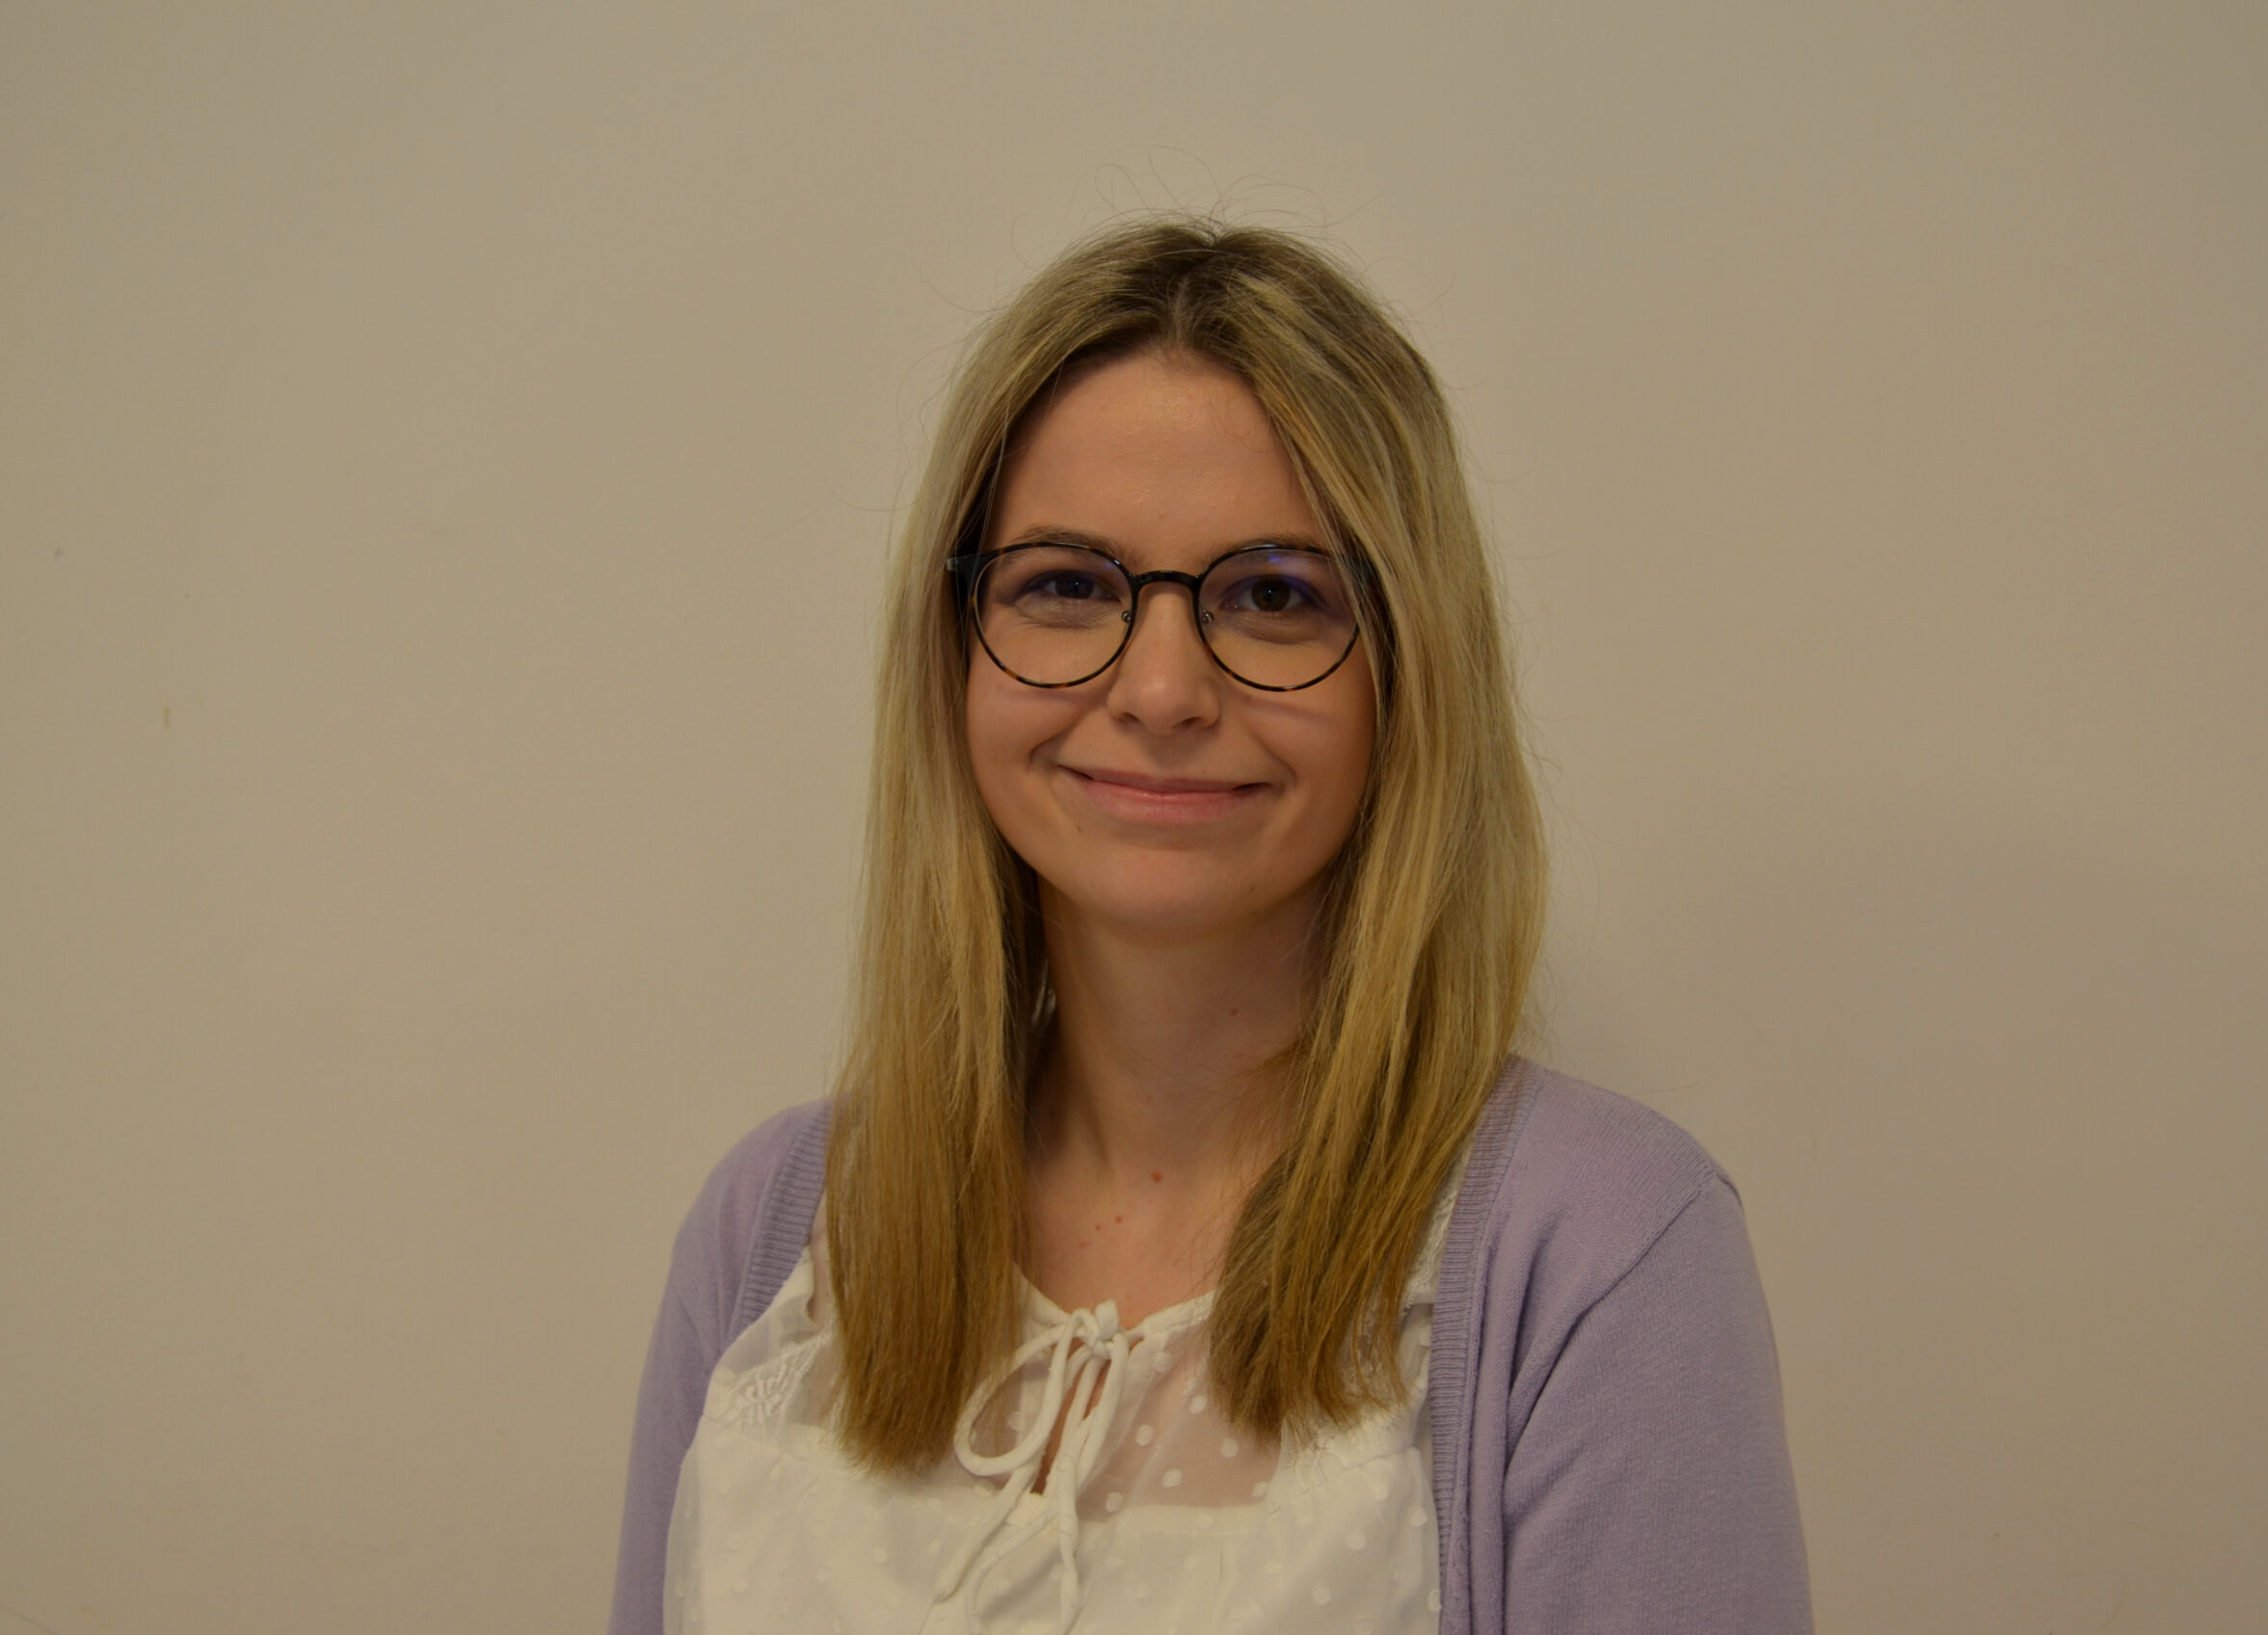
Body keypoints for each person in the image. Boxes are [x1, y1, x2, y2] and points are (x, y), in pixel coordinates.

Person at [610, 217, 1812, 1635]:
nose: (1164, 691)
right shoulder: (774, 1235)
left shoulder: (1603, 1254)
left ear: (1408, 673)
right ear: (953, 653)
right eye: (1067, 585)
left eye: (1273, 596)